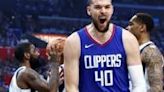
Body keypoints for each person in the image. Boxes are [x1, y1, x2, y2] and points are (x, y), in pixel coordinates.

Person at [64, 0, 146, 92]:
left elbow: (139, 85)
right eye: (98, 7)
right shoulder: (74, 41)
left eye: (107, 7)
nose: (103, 11)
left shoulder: (127, 39)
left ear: (112, 10)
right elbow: (71, 87)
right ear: (89, 10)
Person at [126, 13, 164, 92]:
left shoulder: (151, 52)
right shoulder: (134, 49)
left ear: (142, 28)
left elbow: (156, 87)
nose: (127, 28)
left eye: (131, 24)